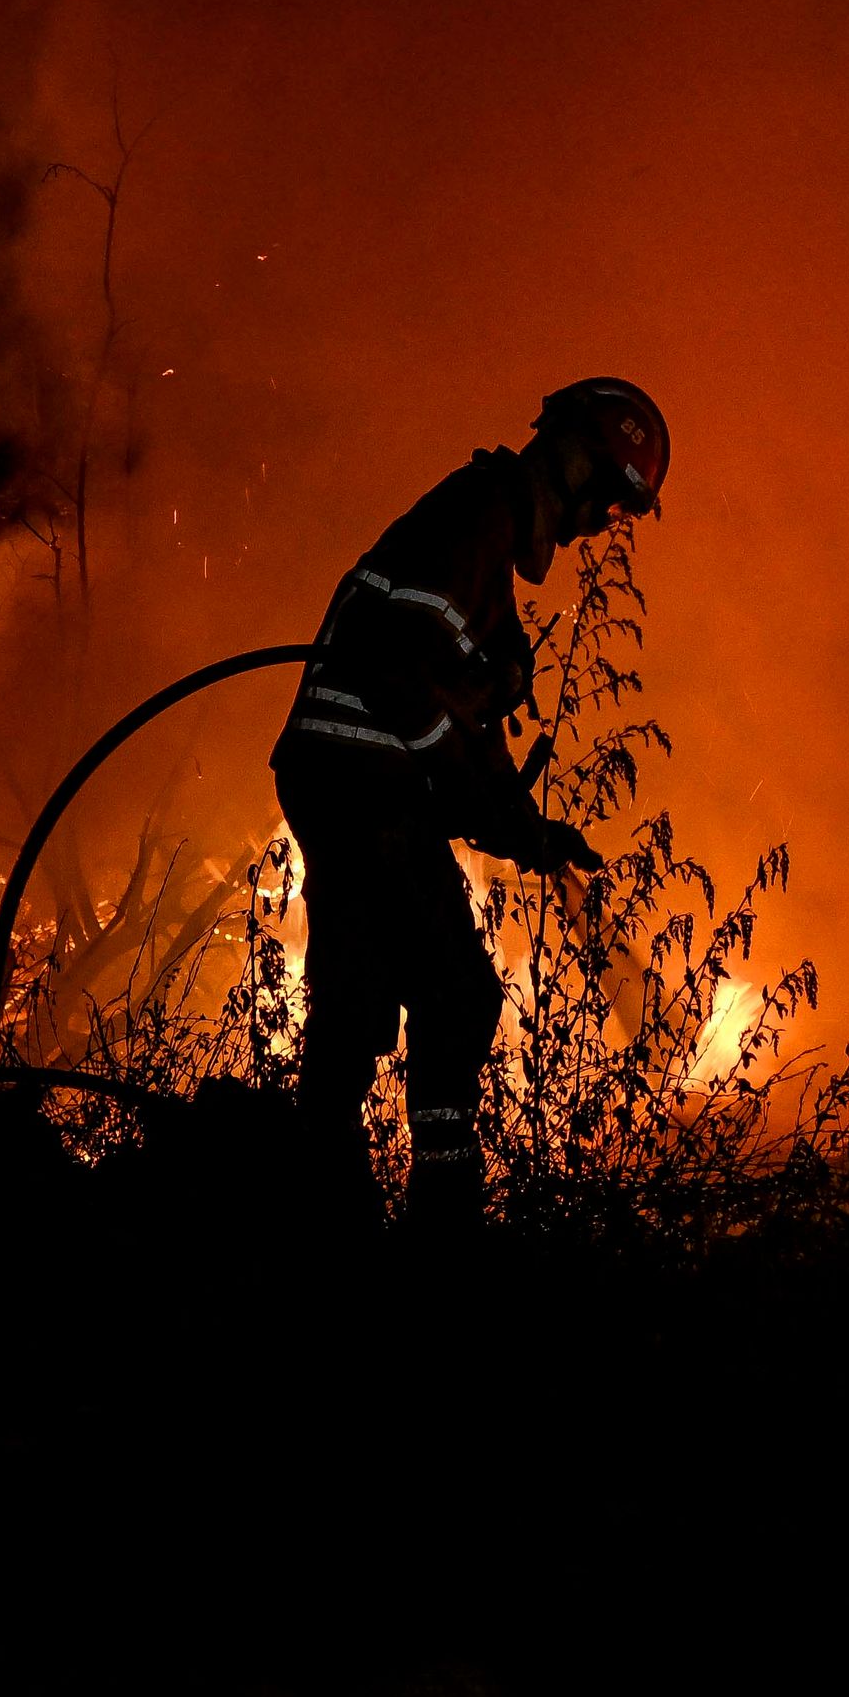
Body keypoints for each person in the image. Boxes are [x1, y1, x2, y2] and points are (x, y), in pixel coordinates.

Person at [268, 377, 670, 1227]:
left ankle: (321, 1201)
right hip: (364, 781)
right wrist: (451, 779)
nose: (601, 527)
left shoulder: (483, 551)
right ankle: (441, 1218)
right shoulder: (473, 522)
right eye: (611, 504)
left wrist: (530, 836)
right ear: (579, 465)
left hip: (344, 775)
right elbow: (399, 675)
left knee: (361, 998)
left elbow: (464, 731)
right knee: (455, 992)